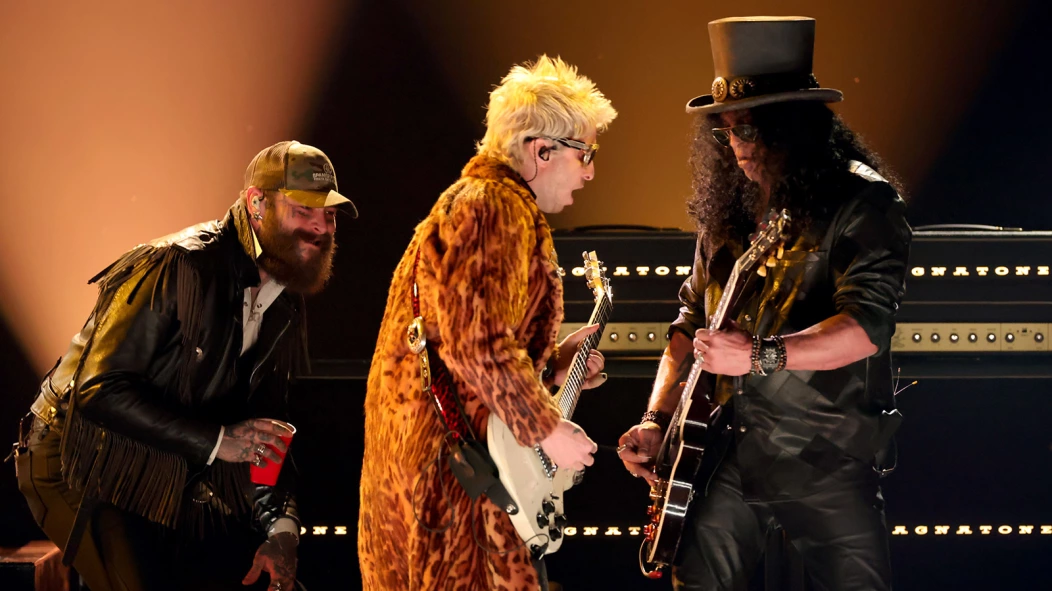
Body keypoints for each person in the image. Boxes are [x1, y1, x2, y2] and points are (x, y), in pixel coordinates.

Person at [617, 17, 911, 591]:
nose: (737, 148)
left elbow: (865, 328)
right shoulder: (730, 210)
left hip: (823, 453)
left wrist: (759, 355)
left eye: (748, 130)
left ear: (794, 128)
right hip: (727, 449)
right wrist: (656, 419)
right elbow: (689, 327)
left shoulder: (864, 203)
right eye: (726, 132)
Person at [14, 140, 356, 591]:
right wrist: (219, 440)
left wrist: (280, 532)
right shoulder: (180, 265)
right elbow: (99, 388)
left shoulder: (283, 301)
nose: (320, 227)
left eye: (329, 214)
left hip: (169, 460)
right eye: (304, 210)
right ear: (256, 203)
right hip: (78, 455)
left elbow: (266, 433)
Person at [358, 55, 616, 590]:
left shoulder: (477, 203)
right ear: (539, 151)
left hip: (448, 477)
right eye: (584, 152)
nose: (591, 171)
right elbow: (476, 343)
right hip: (455, 494)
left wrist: (552, 365)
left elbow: (462, 343)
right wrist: (547, 429)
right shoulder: (493, 205)